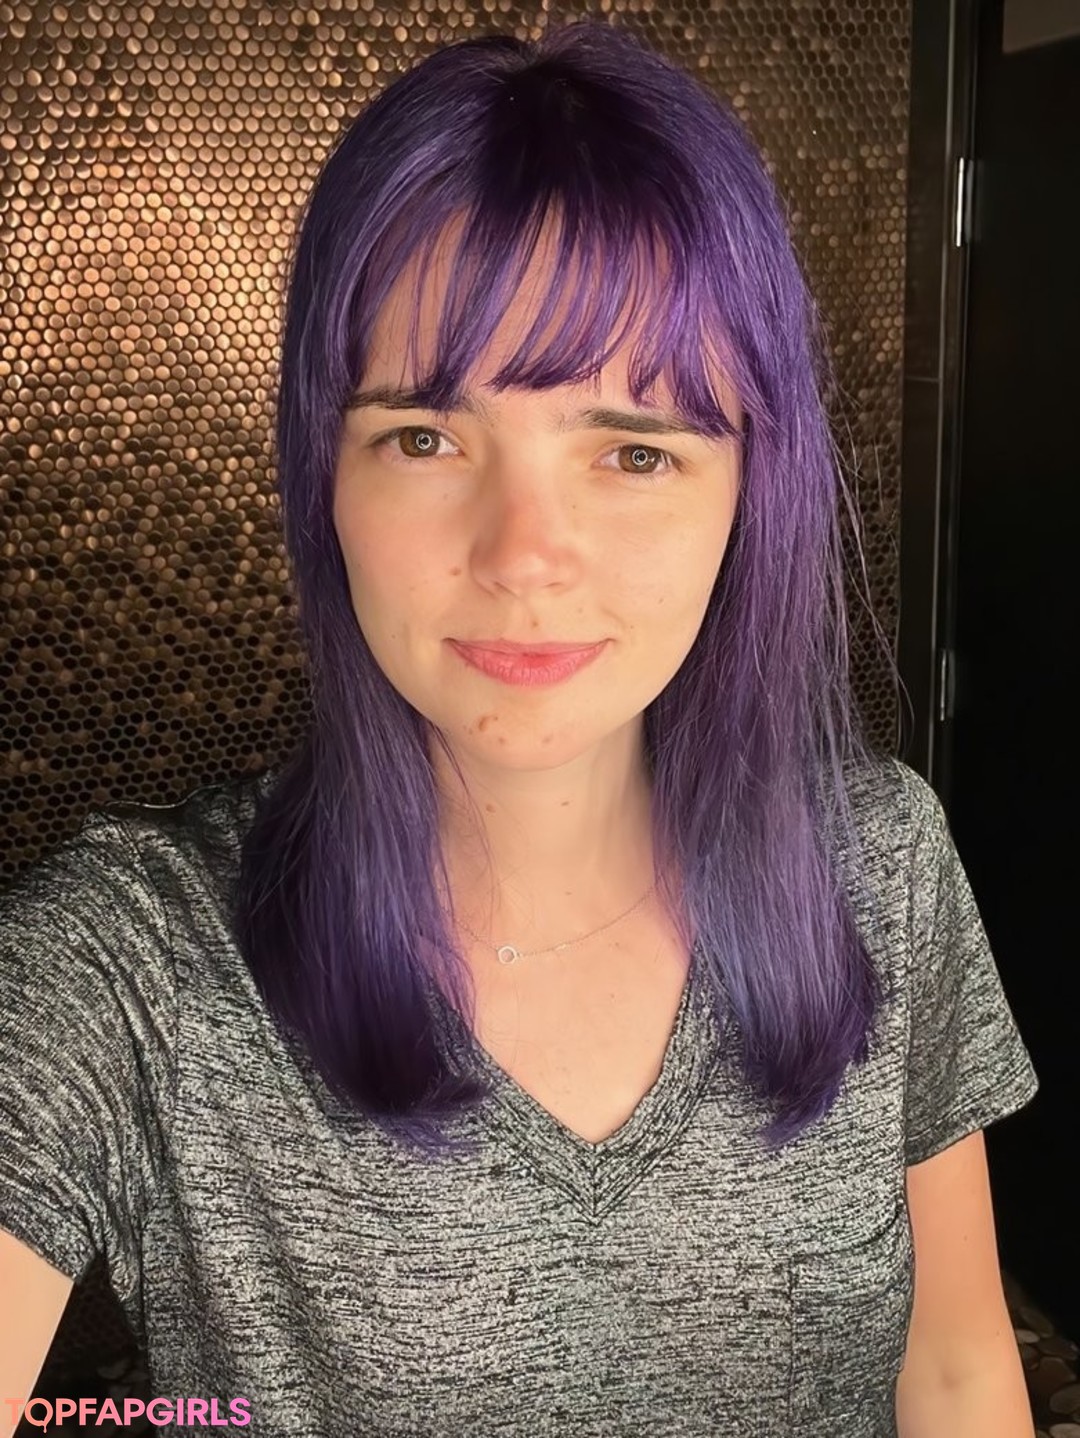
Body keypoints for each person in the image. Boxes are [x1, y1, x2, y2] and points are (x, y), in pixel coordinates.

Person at [0, 18, 1039, 1438]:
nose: (524, 555)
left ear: (752, 492)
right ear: (327, 478)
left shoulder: (884, 865)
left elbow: (957, 1367)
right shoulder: (132, 961)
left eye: (633, 450)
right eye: (425, 438)